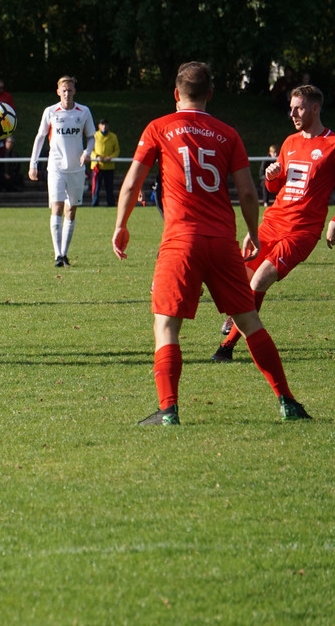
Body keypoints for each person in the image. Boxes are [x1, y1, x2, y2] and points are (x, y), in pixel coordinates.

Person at [112, 61, 310, 425]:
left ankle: (168, 410)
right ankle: (287, 402)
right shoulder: (227, 133)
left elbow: (131, 183)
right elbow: (247, 192)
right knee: (249, 320)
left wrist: (121, 225)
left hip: (181, 241)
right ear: (211, 94)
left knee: (166, 325)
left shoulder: (159, 127)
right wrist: (253, 231)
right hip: (222, 241)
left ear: (176, 94)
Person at [212, 85, 335, 361]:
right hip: (272, 223)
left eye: (298, 108)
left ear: (315, 108)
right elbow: (275, 187)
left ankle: (226, 347)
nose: (292, 114)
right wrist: (271, 176)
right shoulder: (290, 142)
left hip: (301, 232)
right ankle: (238, 316)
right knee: (240, 279)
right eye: (291, 108)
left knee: (260, 280)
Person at [28, 75, 95, 267]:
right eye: (64, 90)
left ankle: (64, 254)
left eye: (70, 90)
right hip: (56, 167)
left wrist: (87, 152)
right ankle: (57, 255)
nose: (67, 93)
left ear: (74, 91)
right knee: (56, 206)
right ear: (58, 92)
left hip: (76, 169)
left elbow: (91, 136)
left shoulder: (83, 111)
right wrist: (33, 164)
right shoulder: (50, 112)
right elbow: (40, 137)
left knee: (71, 210)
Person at [90, 118, 120, 206]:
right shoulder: (94, 136)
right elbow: (90, 150)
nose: (104, 126)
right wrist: (96, 157)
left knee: (109, 188)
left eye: (106, 124)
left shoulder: (113, 137)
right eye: (102, 124)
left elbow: (117, 150)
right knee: (96, 188)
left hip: (109, 166)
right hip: (97, 166)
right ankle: (94, 204)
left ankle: (111, 204)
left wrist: (110, 157)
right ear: (99, 126)